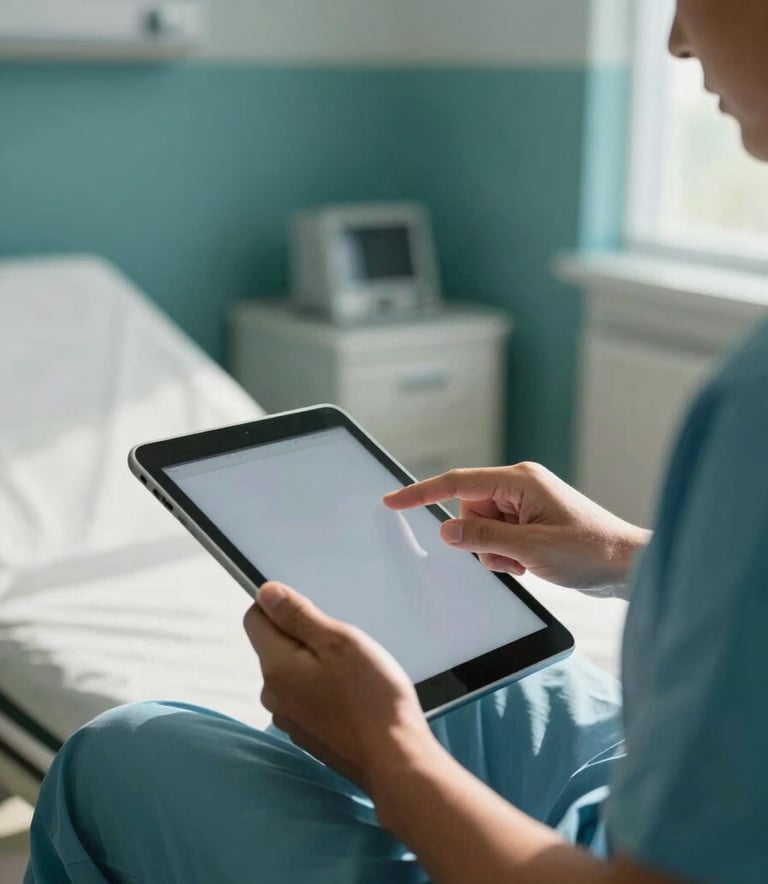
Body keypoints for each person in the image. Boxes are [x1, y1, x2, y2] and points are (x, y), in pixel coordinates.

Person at [24, 1, 768, 881]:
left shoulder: (750, 403)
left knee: (122, 755)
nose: (677, 38)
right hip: (655, 799)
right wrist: (624, 556)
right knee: (479, 678)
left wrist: (386, 752)